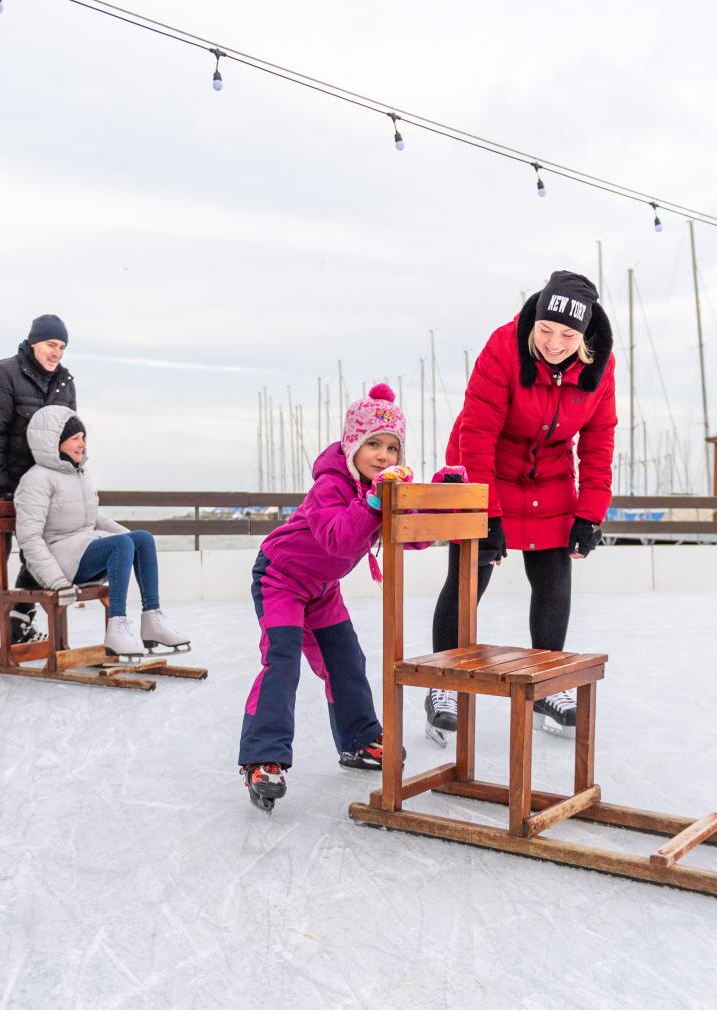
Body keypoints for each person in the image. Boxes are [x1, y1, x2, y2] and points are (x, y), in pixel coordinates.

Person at [424, 270, 617, 742]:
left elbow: (599, 440)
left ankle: (548, 682)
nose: (554, 343)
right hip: (484, 463)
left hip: (548, 473)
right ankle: (443, 684)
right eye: (546, 330)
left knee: (553, 575)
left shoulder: (600, 367)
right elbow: (477, 434)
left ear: (584, 336)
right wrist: (485, 513)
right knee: (472, 572)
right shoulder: (503, 347)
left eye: (567, 335)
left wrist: (590, 512)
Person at [238, 383, 434, 813]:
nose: (383, 456)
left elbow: (415, 539)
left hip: (323, 590)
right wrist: (375, 500)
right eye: (373, 445)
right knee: (283, 660)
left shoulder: (380, 489)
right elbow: (337, 538)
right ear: (352, 444)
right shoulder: (330, 487)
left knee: (346, 660)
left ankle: (359, 741)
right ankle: (262, 757)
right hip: (280, 579)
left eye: (392, 448)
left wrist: (439, 498)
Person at [12, 406, 190, 659]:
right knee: (121, 545)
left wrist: (131, 541)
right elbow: (29, 538)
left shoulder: (78, 474)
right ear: (55, 441)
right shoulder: (37, 479)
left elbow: (94, 519)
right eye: (75, 438)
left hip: (82, 548)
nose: (82, 444)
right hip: (61, 562)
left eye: (83, 438)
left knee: (143, 538)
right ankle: (117, 626)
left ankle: (152, 620)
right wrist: (57, 581)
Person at [0, 314, 77, 674]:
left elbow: (68, 436)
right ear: (34, 342)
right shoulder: (2, 375)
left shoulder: (64, 383)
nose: (57, 353)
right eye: (51, 344)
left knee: (40, 554)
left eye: (62, 347)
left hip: (37, 487)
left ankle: (20, 621)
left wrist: (67, 480)